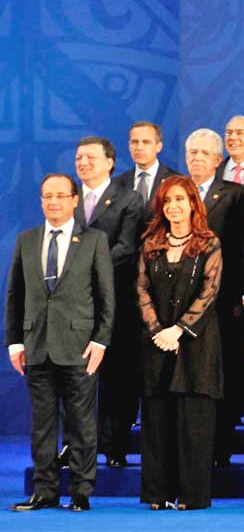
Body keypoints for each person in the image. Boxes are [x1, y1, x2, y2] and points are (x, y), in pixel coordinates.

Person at [6, 173, 114, 512]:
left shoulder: (94, 240)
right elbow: (15, 295)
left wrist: (101, 340)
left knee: (81, 424)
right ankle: (45, 491)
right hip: (36, 346)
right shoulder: (26, 240)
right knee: (42, 426)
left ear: (74, 200)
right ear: (41, 201)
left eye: (60, 196)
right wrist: (14, 343)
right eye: (46, 196)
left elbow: (106, 296)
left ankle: (82, 491)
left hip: (80, 348)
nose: (53, 202)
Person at [135, 175, 223, 510]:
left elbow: (209, 291)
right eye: (168, 201)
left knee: (194, 422)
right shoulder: (150, 243)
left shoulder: (209, 243)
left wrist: (178, 330)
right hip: (156, 343)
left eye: (180, 200)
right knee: (157, 421)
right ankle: (158, 494)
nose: (174, 206)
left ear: (192, 204)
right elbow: (141, 289)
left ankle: (191, 495)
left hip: (195, 343)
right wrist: (158, 329)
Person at [184, 129, 244, 467]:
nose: (196, 158)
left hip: (223, 303)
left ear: (217, 159)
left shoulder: (236, 194)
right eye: (191, 152)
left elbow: (242, 247)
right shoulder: (176, 193)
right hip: (181, 304)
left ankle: (221, 447)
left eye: (203, 153)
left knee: (222, 375)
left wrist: (240, 294)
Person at [74, 136, 143, 468]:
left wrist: (83, 270)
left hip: (116, 301)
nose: (83, 163)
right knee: (75, 377)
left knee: (117, 378)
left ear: (110, 162)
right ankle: (75, 446)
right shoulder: (70, 201)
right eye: (79, 158)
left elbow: (127, 248)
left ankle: (115, 447)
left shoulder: (129, 199)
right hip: (73, 306)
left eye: (90, 157)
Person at [114, 121, 179, 210]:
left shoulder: (176, 181)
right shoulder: (116, 184)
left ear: (158, 147)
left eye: (146, 142)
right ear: (129, 146)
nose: (139, 147)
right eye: (134, 142)